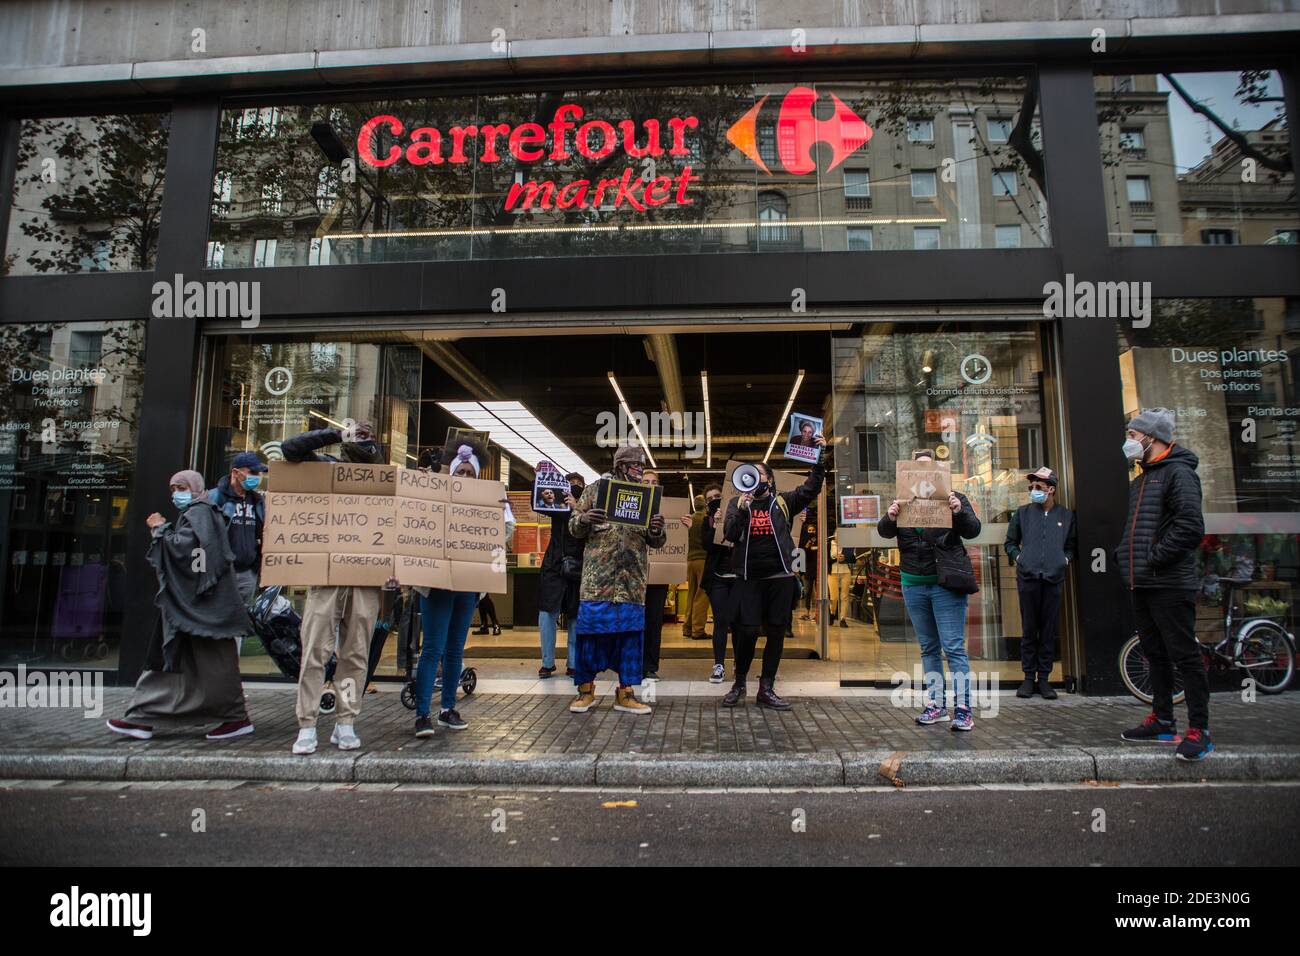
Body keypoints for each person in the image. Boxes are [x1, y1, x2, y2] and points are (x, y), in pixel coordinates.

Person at [107, 471, 255, 741]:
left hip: (201, 609)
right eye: (173, 488)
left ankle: (232, 717)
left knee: (205, 664)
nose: (176, 493)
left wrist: (159, 528)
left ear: (196, 487)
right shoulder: (203, 513)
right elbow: (199, 559)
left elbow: (194, 557)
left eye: (182, 487)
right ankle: (143, 718)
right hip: (199, 608)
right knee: (181, 662)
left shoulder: (199, 514)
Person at [282, 420, 385, 755]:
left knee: (355, 655)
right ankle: (307, 724)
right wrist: (336, 433)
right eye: (360, 435)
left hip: (365, 580)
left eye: (371, 437)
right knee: (315, 651)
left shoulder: (387, 480)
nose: (366, 441)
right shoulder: (323, 468)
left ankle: (345, 722)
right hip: (326, 577)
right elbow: (290, 449)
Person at [1115, 408, 1212, 761]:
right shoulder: (1142, 479)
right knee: (1154, 653)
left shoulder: (1178, 474)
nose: (1128, 441)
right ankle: (1162, 719)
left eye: (1132, 434)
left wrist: (1154, 557)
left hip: (1169, 582)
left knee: (1185, 655)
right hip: (1142, 582)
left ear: (1150, 438)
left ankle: (1199, 728)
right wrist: (1125, 558)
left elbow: (1189, 527)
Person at [413, 437, 514, 736]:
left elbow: (504, 535)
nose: (466, 477)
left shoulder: (487, 501)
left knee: (455, 649)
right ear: (453, 472)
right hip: (435, 586)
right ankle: (422, 714)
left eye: (471, 473)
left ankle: (446, 708)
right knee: (432, 648)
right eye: (462, 472)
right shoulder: (434, 498)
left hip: (467, 586)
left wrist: (502, 511)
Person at [878, 449, 982, 731]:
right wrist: (890, 515)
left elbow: (973, 530)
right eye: (917, 467)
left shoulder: (954, 497)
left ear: (937, 472)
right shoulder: (903, 499)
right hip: (914, 583)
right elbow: (884, 531)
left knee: (953, 647)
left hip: (944, 583)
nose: (922, 472)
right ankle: (936, 705)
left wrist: (958, 512)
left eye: (927, 467)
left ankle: (963, 708)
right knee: (929, 648)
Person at [721, 434, 826, 709]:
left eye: (759, 475)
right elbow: (730, 534)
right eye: (749, 475)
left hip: (780, 578)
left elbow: (812, 487)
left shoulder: (783, 502)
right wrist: (742, 510)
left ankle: (766, 687)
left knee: (777, 631)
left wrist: (819, 457)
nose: (753, 479)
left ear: (768, 480)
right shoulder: (737, 505)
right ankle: (739, 683)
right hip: (749, 579)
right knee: (746, 631)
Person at [568, 446, 666, 715]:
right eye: (635, 464)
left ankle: (626, 694)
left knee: (630, 641)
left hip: (632, 584)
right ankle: (585, 691)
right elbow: (574, 526)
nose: (639, 469)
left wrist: (657, 529)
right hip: (597, 583)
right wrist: (585, 518)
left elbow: (657, 540)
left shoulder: (646, 496)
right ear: (621, 465)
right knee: (590, 637)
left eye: (641, 465)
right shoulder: (595, 489)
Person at [1004, 466, 1077, 700]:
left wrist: (1063, 560)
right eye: (1031, 487)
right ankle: (1028, 678)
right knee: (1028, 628)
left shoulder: (1065, 516)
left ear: (1051, 490)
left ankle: (1044, 679)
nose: (1034, 490)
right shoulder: (1022, 514)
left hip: (1053, 579)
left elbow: (1072, 546)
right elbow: (1010, 542)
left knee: (1047, 630)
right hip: (1028, 578)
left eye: (1039, 487)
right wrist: (1020, 558)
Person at [537, 472, 585, 679]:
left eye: (578, 485)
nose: (574, 488)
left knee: (575, 615)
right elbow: (538, 500)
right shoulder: (555, 505)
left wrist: (578, 508)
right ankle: (549, 662)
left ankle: (572, 662)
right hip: (556, 564)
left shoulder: (587, 507)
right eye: (570, 484)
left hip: (574, 564)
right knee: (548, 613)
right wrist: (539, 480)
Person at [207, 451, 268, 609]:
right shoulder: (214, 498)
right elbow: (202, 537)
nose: (258, 477)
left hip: (248, 573)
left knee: (241, 623)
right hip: (222, 574)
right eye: (253, 472)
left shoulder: (257, 501)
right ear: (236, 472)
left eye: (259, 473)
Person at [699, 484, 733, 683]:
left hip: (738, 579)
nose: (714, 500)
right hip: (717, 579)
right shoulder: (707, 522)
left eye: (717, 496)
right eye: (710, 498)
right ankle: (719, 665)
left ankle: (740, 663)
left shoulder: (738, 515)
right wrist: (716, 525)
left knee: (739, 624)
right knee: (720, 622)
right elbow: (708, 546)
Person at [684, 493, 712, 640]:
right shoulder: (707, 519)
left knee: (691, 594)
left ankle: (687, 628)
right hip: (703, 560)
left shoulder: (689, 519)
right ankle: (698, 630)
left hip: (690, 560)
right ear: (706, 505)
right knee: (702, 595)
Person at [828, 536, 853, 627]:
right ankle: (832, 612)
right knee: (833, 597)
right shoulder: (829, 544)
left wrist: (844, 558)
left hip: (845, 572)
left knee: (844, 596)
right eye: (837, 534)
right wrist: (835, 559)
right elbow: (825, 560)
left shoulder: (847, 545)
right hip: (832, 572)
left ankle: (843, 618)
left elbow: (853, 559)